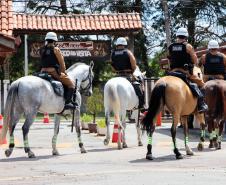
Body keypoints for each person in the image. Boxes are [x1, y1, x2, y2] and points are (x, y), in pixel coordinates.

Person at [167, 27, 208, 113]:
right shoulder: (188, 46)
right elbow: (195, 60)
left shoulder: (171, 46)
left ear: (177, 35)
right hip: (185, 72)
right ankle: (201, 104)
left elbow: (169, 59)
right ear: (186, 36)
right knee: (202, 84)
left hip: (173, 72)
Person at [40, 32, 75, 108]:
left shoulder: (42, 49)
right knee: (71, 84)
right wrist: (64, 72)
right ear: (54, 41)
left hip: (42, 71)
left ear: (47, 39)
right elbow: (61, 63)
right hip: (53, 72)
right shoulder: (56, 49)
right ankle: (67, 103)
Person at [111, 37, 144, 109]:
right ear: (124, 44)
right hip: (127, 75)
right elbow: (134, 66)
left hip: (117, 75)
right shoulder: (128, 52)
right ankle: (141, 105)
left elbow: (112, 68)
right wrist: (132, 72)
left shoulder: (113, 53)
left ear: (117, 44)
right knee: (138, 87)